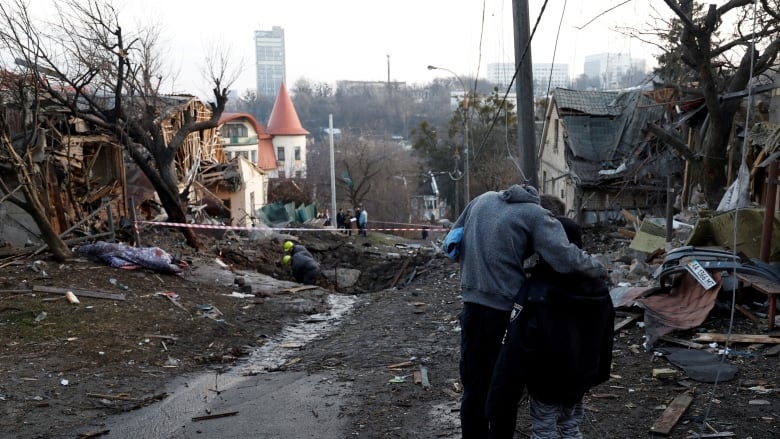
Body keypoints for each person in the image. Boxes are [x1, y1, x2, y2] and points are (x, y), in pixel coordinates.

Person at [450, 184, 606, 439]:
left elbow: (453, 240)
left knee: (474, 386)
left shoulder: (482, 199)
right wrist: (598, 268)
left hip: (471, 308)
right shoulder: (536, 214)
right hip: (505, 314)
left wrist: (481, 266)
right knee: (505, 390)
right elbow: (564, 257)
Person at [485, 215, 615, 439]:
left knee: (545, 429)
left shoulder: (536, 288)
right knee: (570, 426)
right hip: (580, 377)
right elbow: (606, 336)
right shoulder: (598, 288)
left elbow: (519, 342)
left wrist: (506, 385)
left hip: (546, 379)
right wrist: (597, 373)